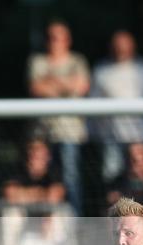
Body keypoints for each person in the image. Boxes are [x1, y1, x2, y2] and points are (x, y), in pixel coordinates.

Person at [28, 20, 90, 215]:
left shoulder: (78, 61)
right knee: (44, 182)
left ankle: (75, 222)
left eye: (58, 37)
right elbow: (37, 88)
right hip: (43, 134)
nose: (53, 41)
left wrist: (52, 80)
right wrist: (67, 85)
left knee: (71, 179)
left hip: (70, 133)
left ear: (67, 40)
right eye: (50, 37)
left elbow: (81, 87)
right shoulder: (37, 61)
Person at [90, 30, 143, 183]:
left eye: (124, 45)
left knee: (141, 176)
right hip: (111, 136)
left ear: (132, 46)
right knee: (111, 177)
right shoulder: (101, 70)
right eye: (118, 46)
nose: (121, 49)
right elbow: (93, 101)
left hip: (140, 135)